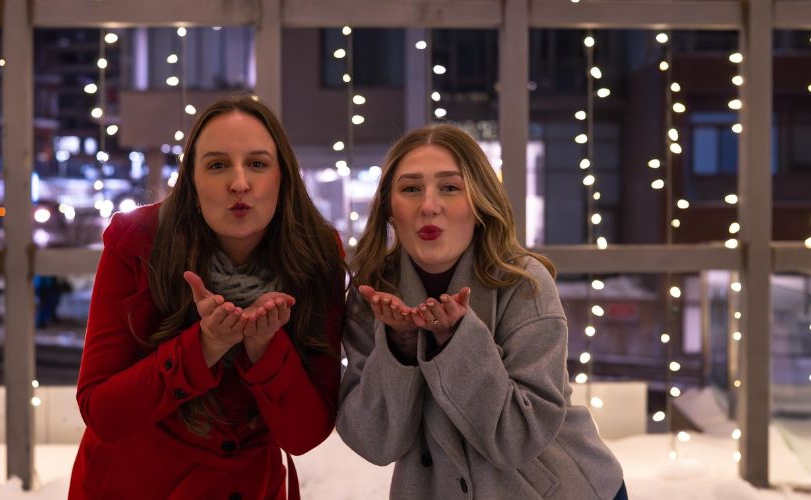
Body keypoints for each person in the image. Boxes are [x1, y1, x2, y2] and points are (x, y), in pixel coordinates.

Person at [69, 96, 347, 500]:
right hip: (133, 483)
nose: (239, 183)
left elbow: (304, 434)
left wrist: (265, 348)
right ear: (192, 182)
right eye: (217, 165)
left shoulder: (315, 255)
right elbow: (103, 413)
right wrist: (204, 346)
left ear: (283, 177)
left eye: (257, 163)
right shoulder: (139, 242)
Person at [338, 124, 627, 499]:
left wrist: (457, 340)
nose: (429, 206)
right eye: (410, 189)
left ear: (478, 205)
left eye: (450, 187)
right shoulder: (371, 293)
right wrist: (400, 345)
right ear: (390, 211)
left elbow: (517, 438)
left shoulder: (524, 283)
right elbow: (374, 442)